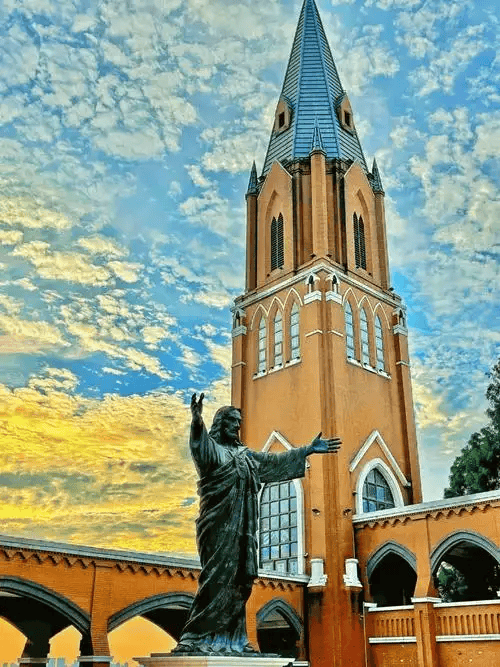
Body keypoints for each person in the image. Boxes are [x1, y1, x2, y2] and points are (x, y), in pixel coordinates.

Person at [173, 392, 341, 656]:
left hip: (243, 531)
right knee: (216, 580)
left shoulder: (246, 456)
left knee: (240, 583)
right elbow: (200, 446)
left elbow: (274, 462)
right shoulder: (214, 451)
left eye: (239, 423)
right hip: (217, 528)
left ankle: (235, 640)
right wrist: (196, 421)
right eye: (232, 422)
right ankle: (194, 637)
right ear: (221, 424)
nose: (237, 427)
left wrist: (308, 449)